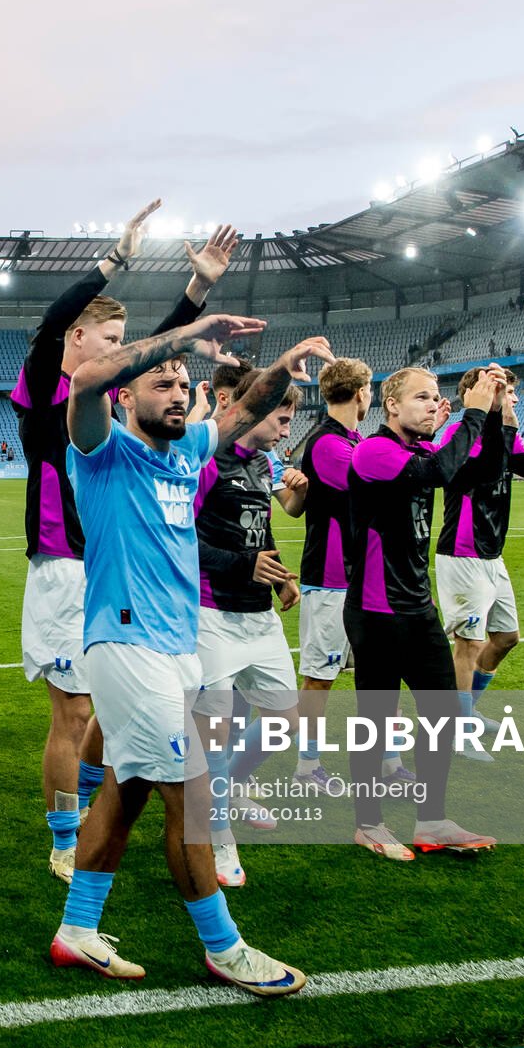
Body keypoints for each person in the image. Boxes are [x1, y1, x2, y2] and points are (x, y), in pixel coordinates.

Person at [49, 307, 309, 995]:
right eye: (157, 382)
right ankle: (225, 947)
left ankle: (77, 929)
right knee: (192, 794)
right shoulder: (101, 452)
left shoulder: (190, 450)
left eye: (179, 383)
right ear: (126, 396)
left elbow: (241, 411)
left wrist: (281, 368)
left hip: (175, 647)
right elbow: (84, 379)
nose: (172, 391)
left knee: (129, 791)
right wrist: (184, 338)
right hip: (127, 646)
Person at [12, 202, 239, 882]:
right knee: (73, 709)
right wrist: (112, 261)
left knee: (109, 715)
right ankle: (62, 834)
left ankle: (94, 810)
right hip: (62, 563)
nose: (119, 345)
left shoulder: (115, 400)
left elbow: (155, 357)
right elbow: (52, 325)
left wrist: (196, 292)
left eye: (123, 335)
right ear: (75, 340)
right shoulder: (45, 390)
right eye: (108, 335)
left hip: (119, 568)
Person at [344, 364, 509, 859]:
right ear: (391, 405)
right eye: (421, 397)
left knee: (442, 716)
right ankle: (368, 823)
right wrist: (473, 413)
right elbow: (439, 471)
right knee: (376, 722)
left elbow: (482, 469)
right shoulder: (374, 450)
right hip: (376, 609)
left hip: (416, 607)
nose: (433, 405)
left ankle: (431, 819)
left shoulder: (419, 451)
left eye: (436, 397)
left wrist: (495, 415)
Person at [191, 356, 323, 887]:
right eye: (282, 419)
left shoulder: (264, 467)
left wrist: (279, 574)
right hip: (210, 612)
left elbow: (260, 527)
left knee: (284, 721)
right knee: (216, 735)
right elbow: (181, 541)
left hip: (259, 614)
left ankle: (228, 788)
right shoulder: (206, 460)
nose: (287, 429)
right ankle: (219, 838)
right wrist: (244, 566)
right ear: (255, 411)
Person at [435, 370, 524, 759]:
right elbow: (483, 468)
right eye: (504, 391)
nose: (513, 399)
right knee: (468, 645)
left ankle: (468, 712)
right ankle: (455, 730)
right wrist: (500, 422)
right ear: (477, 393)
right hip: (463, 551)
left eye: (513, 392)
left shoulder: (504, 431)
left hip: (491, 553)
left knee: (506, 638)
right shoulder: (461, 433)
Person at [286, 356, 369, 794]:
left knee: (376, 672)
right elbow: (369, 497)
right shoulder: (327, 443)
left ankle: (387, 761)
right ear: (361, 394)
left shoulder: (350, 441)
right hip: (330, 577)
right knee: (320, 676)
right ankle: (306, 766)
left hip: (357, 578)